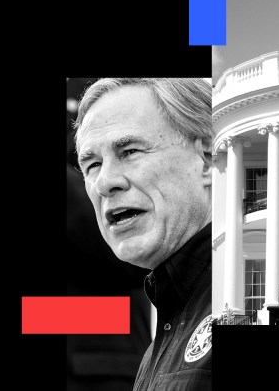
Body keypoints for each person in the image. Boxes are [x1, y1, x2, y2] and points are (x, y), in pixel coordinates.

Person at [73, 78, 213, 389]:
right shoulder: (157, 346)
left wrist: (30, 315)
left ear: (207, 158)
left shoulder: (254, 299)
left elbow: (115, 310)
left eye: (130, 151)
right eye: (91, 165)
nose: (103, 183)